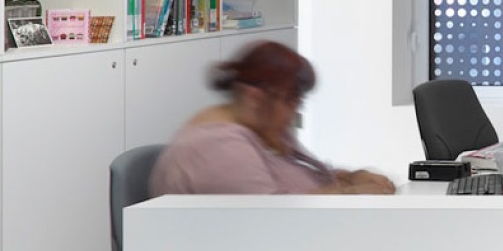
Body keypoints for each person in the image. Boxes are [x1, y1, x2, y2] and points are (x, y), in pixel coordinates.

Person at [151, 41, 396, 196]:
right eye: (290, 100)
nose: (295, 110)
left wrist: (350, 177)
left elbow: (299, 177)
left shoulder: (263, 129)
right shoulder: (216, 146)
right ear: (254, 97)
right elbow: (271, 219)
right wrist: (350, 195)